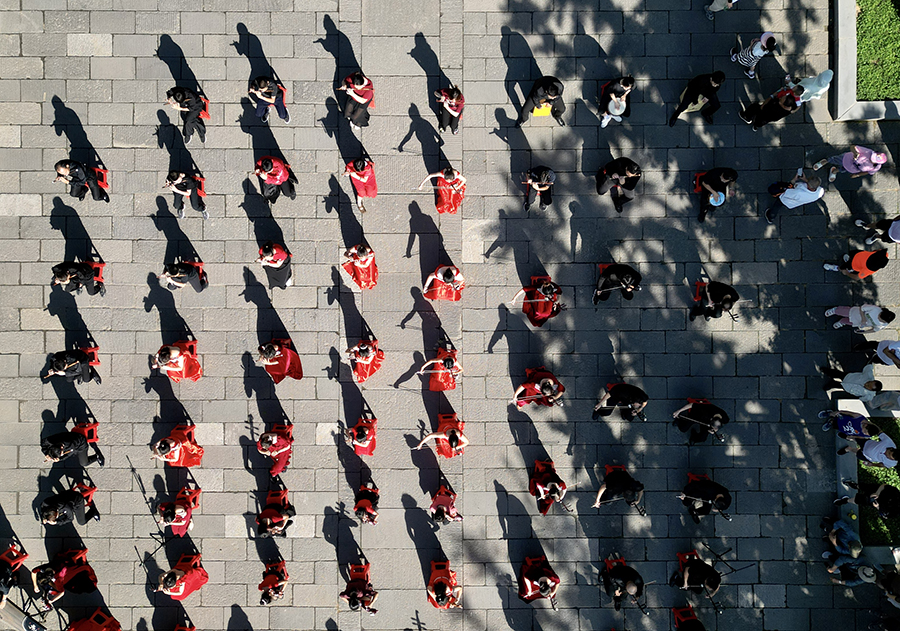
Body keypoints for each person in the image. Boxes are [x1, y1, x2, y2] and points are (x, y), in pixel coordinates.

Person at [31, 549, 97, 611]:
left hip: (73, 576)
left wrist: (51, 600)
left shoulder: (58, 579)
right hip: (71, 568)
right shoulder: (51, 569)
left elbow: (62, 592)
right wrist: (35, 586)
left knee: (73, 589)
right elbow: (33, 572)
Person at [814, 146, 887, 182]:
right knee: (835, 160)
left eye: (873, 160)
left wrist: (857, 175)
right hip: (846, 159)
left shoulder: (876, 167)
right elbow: (853, 147)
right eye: (872, 157)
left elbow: (867, 172)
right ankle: (825, 161)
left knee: (842, 170)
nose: (871, 158)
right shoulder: (869, 152)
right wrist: (855, 153)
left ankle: (834, 171)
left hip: (852, 169)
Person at [824, 248, 889, 280]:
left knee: (845, 267)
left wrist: (847, 273)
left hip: (853, 265)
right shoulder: (883, 255)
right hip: (858, 254)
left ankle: (838, 268)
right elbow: (877, 250)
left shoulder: (867, 270)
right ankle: (848, 260)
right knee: (851, 254)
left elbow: (857, 277)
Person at [825, 304, 894, 332]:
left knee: (848, 322)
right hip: (855, 312)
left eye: (881, 320)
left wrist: (864, 332)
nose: (879, 319)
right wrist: (863, 318)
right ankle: (835, 310)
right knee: (843, 311)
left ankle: (841, 322)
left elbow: (875, 329)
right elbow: (862, 308)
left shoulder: (883, 324)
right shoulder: (875, 309)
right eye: (880, 317)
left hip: (857, 322)